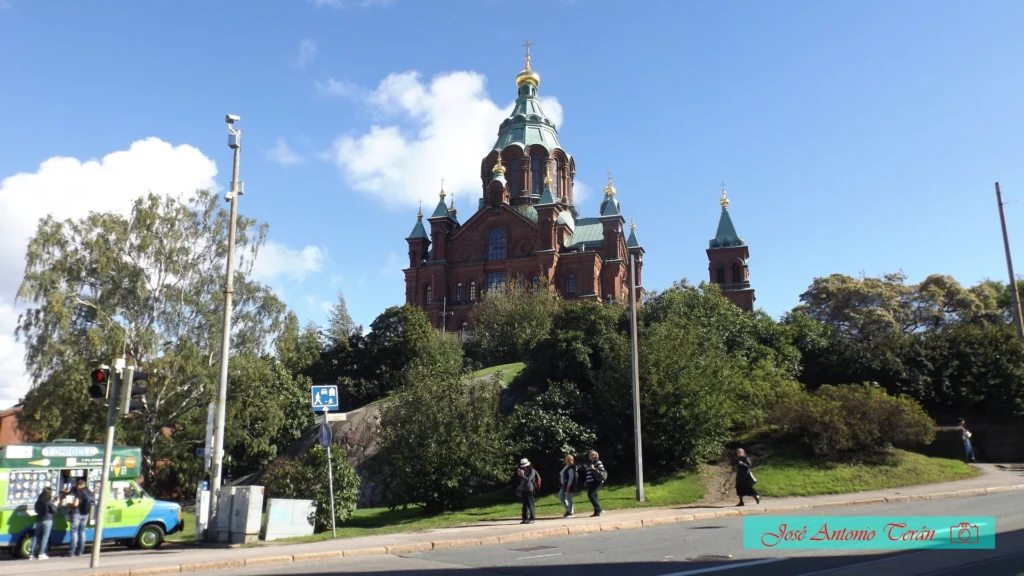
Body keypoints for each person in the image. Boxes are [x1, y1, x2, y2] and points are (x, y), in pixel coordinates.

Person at [68, 477, 93, 557]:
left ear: (78, 485)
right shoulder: (89, 491)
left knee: (74, 532)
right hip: (85, 514)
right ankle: (80, 551)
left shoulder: (80, 492)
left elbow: (75, 504)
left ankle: (71, 552)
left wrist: (69, 505)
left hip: (77, 514)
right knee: (82, 532)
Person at [29, 488, 55, 560]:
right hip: (48, 520)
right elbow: (54, 511)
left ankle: (31, 554)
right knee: (45, 537)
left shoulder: (38, 501)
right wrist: (55, 504)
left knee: (36, 536)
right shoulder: (49, 501)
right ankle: (41, 553)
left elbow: (36, 510)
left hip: (39, 520)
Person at [514, 458, 539, 524]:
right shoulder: (523, 471)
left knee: (530, 504)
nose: (524, 467)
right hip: (523, 489)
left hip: (529, 489)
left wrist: (521, 475)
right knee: (524, 505)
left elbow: (528, 479)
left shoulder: (532, 471)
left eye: (525, 466)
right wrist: (520, 475)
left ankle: (532, 518)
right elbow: (521, 480)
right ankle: (525, 518)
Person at [584, 450, 606, 517]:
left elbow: (602, 471)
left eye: (590, 454)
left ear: (593, 455)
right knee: (595, 496)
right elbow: (589, 473)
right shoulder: (591, 463)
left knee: (590, 494)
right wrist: (586, 480)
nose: (589, 455)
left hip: (596, 481)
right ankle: (596, 512)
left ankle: (598, 509)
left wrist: (594, 469)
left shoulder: (598, 462)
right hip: (591, 482)